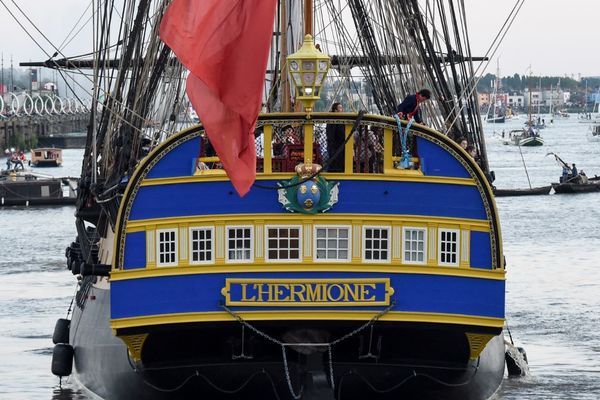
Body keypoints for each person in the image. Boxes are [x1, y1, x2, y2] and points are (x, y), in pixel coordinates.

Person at [326, 102, 345, 172]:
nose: (342, 109)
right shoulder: (332, 121)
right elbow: (331, 135)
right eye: (340, 108)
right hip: (335, 147)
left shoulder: (342, 121)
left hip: (341, 146)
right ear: (335, 111)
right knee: (335, 162)